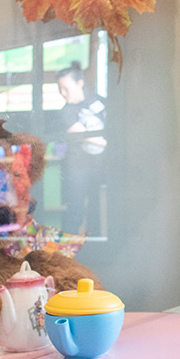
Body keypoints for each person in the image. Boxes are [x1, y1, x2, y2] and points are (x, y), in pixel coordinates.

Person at [56, 61, 107, 235]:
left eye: (66, 88)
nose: (63, 93)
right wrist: (109, 142)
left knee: (99, 209)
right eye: (59, 89)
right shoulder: (66, 112)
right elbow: (85, 136)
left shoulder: (100, 101)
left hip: (101, 166)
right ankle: (68, 250)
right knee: (75, 210)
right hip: (77, 168)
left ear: (80, 83)